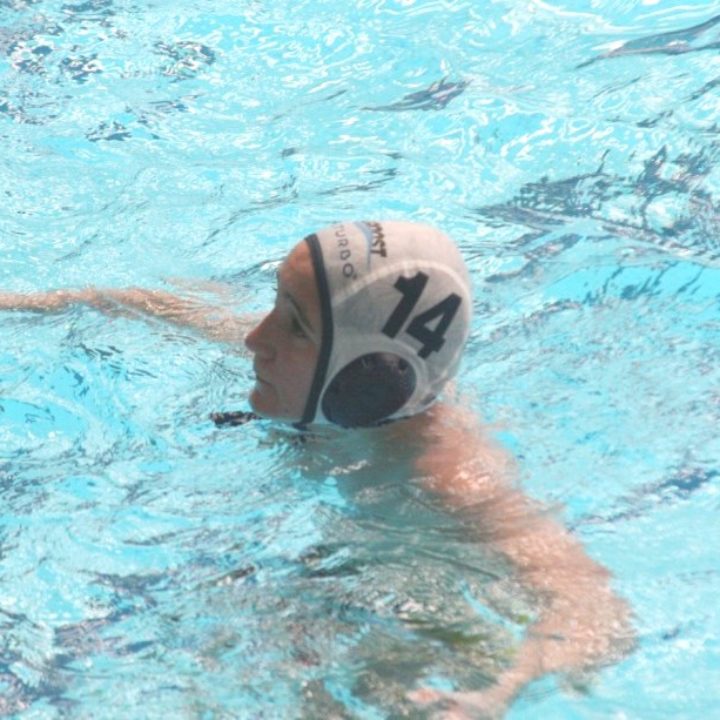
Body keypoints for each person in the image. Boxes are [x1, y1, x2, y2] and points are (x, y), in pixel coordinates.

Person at [0, 220, 633, 717]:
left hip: (430, 624)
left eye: (295, 324)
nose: (255, 338)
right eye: (276, 304)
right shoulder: (322, 369)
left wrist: (498, 693)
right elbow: (155, 304)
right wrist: (31, 303)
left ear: (370, 375)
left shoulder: (447, 476)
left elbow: (594, 608)